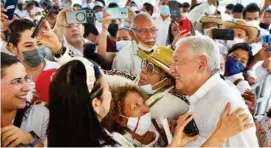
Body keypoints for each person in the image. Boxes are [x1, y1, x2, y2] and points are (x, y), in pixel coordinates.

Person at [103, 82, 254, 147]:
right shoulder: (117, 142)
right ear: (120, 119)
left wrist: (175, 142)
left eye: (143, 102)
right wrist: (220, 136)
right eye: (136, 106)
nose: (145, 110)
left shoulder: (156, 135)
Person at [170, 36, 259, 147]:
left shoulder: (226, 103)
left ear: (201, 64)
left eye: (177, 61)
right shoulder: (202, 95)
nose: (171, 69)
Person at [1, 52, 49, 147]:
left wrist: (32, 140)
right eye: (17, 81)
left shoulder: (40, 116)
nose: (27, 88)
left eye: (26, 78)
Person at [137, 46, 189, 122]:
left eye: (150, 68)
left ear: (166, 81)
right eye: (145, 63)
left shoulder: (162, 108)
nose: (143, 70)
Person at [112, 13, 158, 77]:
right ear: (132, 34)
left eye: (153, 30)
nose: (150, 36)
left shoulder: (160, 51)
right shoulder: (123, 59)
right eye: (144, 31)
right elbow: (121, 86)